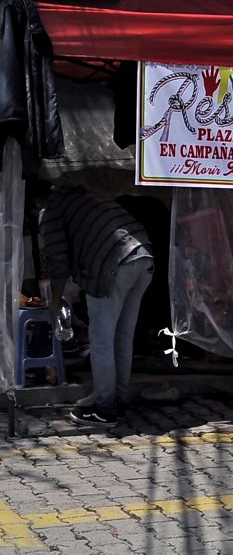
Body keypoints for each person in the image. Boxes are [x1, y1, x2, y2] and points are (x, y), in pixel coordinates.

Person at [35, 181, 153, 427]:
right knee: (123, 337)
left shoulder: (50, 212)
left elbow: (57, 262)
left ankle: (105, 409)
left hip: (112, 263)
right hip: (144, 255)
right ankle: (117, 399)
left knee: (101, 339)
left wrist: (54, 302)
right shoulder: (86, 195)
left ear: (36, 202)